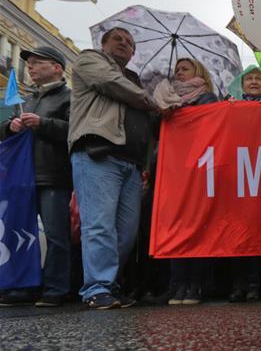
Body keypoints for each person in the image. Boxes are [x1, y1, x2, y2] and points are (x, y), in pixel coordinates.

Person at [68, 27, 158, 309]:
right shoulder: (89, 60)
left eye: (129, 43)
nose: (124, 44)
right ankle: (96, 288)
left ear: (133, 54)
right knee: (99, 225)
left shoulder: (134, 80)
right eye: (118, 39)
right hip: (98, 153)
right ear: (103, 44)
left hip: (131, 164)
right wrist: (153, 101)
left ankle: (109, 284)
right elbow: (110, 83)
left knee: (126, 231)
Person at [0, 46, 72, 307]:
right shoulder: (26, 100)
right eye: (29, 63)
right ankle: (23, 286)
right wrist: (11, 126)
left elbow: (74, 132)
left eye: (38, 62)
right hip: (23, 177)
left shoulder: (70, 97)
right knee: (22, 233)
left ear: (57, 68)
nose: (30, 67)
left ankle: (56, 288)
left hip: (53, 175)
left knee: (55, 235)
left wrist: (44, 124)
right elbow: (4, 134)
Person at [153, 58, 219, 306]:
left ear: (198, 72)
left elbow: (206, 127)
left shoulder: (207, 98)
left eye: (185, 69)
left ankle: (194, 285)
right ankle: (177, 284)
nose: (179, 73)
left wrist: (178, 112)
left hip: (198, 169)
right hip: (172, 170)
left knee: (196, 226)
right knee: (174, 227)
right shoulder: (163, 98)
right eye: (177, 70)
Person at [226, 66, 261, 302]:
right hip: (240, 177)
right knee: (240, 233)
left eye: (258, 79)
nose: (253, 82)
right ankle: (244, 284)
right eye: (248, 78)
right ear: (241, 85)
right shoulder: (229, 108)